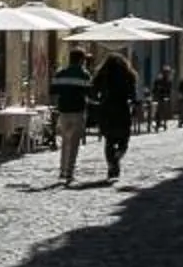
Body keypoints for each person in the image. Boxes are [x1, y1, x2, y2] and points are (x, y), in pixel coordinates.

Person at [90, 51, 139, 181]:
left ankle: (112, 164)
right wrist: (134, 106)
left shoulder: (102, 74)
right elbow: (132, 95)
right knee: (124, 139)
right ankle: (117, 158)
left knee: (109, 140)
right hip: (122, 109)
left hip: (106, 109)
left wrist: (97, 101)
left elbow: (93, 92)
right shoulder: (129, 75)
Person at [48, 48, 94, 187]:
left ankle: (62, 170)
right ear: (81, 60)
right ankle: (70, 172)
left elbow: (53, 92)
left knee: (65, 141)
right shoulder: (84, 74)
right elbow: (89, 94)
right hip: (78, 111)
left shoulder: (60, 73)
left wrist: (57, 104)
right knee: (74, 143)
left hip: (63, 111)